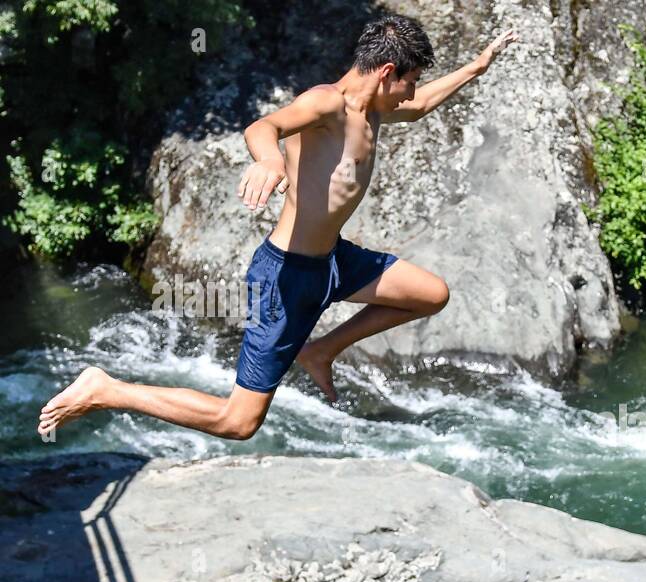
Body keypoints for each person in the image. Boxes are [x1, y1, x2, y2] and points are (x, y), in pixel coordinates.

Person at [38, 15, 519, 440]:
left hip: (333, 261)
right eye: (410, 80)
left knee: (430, 293)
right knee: (238, 423)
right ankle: (107, 389)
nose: (412, 91)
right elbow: (262, 127)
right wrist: (269, 161)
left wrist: (477, 67)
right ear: (387, 72)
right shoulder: (326, 104)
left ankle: (320, 352)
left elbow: (421, 106)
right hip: (284, 277)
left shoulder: (376, 107)